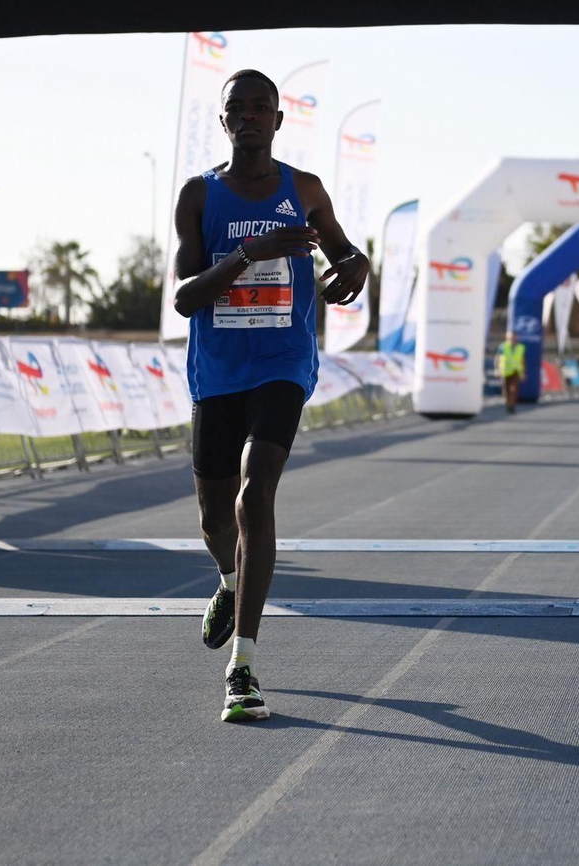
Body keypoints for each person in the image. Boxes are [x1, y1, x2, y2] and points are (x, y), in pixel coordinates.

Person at [172, 68, 369, 722]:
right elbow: (185, 297)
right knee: (214, 520)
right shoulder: (199, 196)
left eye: (262, 107)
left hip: (284, 364)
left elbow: (346, 253)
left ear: (278, 120)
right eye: (239, 108)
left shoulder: (304, 190)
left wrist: (357, 268)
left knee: (255, 494)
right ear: (224, 121)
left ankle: (244, 665)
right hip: (218, 370)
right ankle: (229, 582)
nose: (251, 116)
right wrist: (249, 254)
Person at [498, 330, 525, 413]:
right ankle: (508, 403)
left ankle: (512, 405)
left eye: (513, 337)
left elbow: (522, 360)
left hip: (515, 371)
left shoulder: (521, 347)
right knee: (506, 390)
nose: (512, 339)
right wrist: (497, 369)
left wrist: (523, 372)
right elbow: (498, 358)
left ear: (516, 338)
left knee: (513, 389)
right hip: (505, 371)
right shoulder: (503, 347)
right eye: (509, 338)